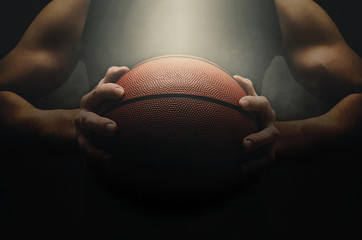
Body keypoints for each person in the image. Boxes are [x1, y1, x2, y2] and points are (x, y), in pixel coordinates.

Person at [0, 0, 361, 237]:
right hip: (114, 223)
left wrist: (288, 136)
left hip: (236, 222)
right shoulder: (83, 5)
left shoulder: (282, 6)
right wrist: (77, 128)